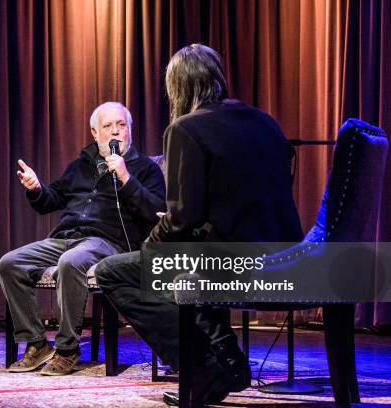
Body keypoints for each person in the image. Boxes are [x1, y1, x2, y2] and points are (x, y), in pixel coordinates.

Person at [95, 44, 303, 404]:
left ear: (177, 87)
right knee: (194, 253)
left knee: (115, 271)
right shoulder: (265, 122)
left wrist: (150, 248)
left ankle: (204, 367)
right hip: (288, 255)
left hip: (235, 263)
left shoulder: (186, 129)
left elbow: (183, 217)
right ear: (218, 76)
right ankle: (228, 360)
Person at [0, 101, 166, 376]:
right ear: (94, 132)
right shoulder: (80, 167)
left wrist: (126, 178)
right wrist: (37, 188)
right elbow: (49, 201)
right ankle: (37, 342)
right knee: (10, 263)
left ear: (130, 130)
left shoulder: (145, 169)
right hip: (66, 238)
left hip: (108, 243)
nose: (115, 132)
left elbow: (155, 213)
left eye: (121, 125)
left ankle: (67, 349)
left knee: (71, 261)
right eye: (108, 126)